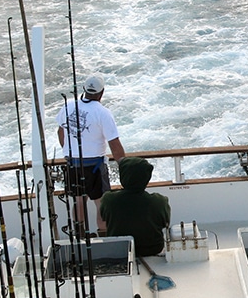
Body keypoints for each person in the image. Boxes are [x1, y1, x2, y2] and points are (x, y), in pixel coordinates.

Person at [55, 75, 126, 235]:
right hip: (95, 166)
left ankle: (79, 235)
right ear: (101, 93)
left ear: (84, 90)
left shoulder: (68, 106)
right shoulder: (103, 113)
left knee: (79, 200)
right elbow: (114, 145)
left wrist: (68, 151)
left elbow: (61, 132)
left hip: (72, 163)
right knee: (101, 203)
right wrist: (125, 166)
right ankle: (103, 234)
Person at [100, 157, 171, 257]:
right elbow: (165, 223)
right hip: (152, 249)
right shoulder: (160, 201)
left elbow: (104, 219)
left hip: (120, 249)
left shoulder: (108, 199)